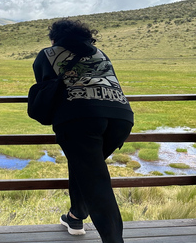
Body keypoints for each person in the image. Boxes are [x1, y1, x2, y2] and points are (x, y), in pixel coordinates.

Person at [31, 19, 134, 243]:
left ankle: (114, 240)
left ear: (54, 38)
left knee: (96, 181)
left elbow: (46, 88)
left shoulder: (48, 53)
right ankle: (76, 216)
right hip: (121, 118)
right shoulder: (100, 52)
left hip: (79, 117)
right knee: (87, 168)